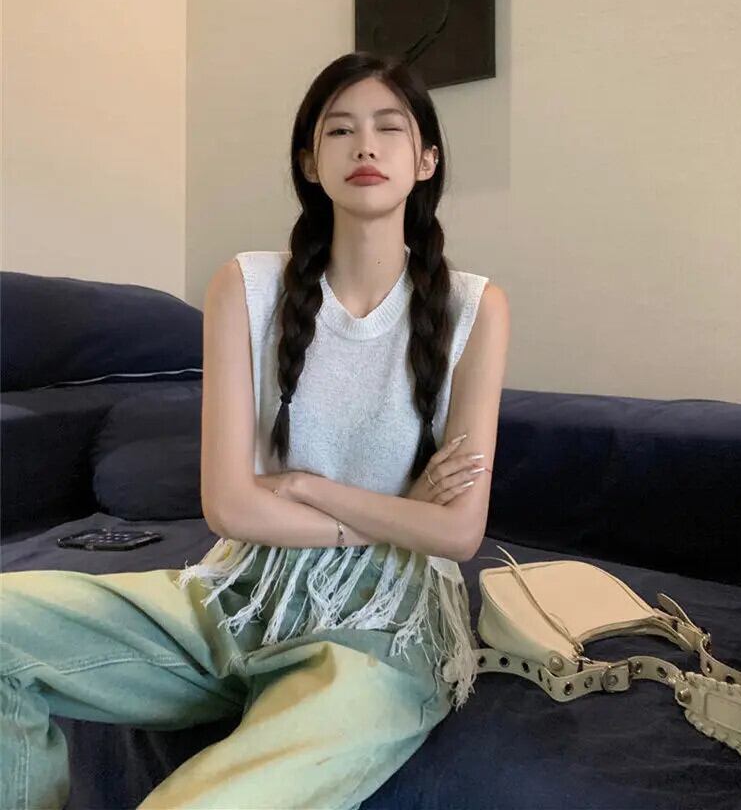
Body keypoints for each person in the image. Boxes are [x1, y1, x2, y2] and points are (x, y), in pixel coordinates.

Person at [0, 50, 510, 810]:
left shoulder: (476, 308)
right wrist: (403, 514)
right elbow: (231, 508)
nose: (364, 146)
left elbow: (460, 532)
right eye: (339, 130)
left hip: (385, 629)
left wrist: (304, 486)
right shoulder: (246, 286)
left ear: (426, 158)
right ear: (309, 162)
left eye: (388, 128)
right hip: (236, 597)